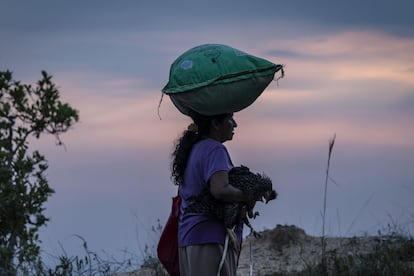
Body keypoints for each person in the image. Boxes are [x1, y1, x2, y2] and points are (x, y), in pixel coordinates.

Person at [171, 112, 247, 276]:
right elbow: (220, 189)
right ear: (216, 124)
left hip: (188, 237)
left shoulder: (194, 148)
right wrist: (247, 195)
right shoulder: (215, 149)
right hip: (209, 238)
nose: (235, 125)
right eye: (230, 120)